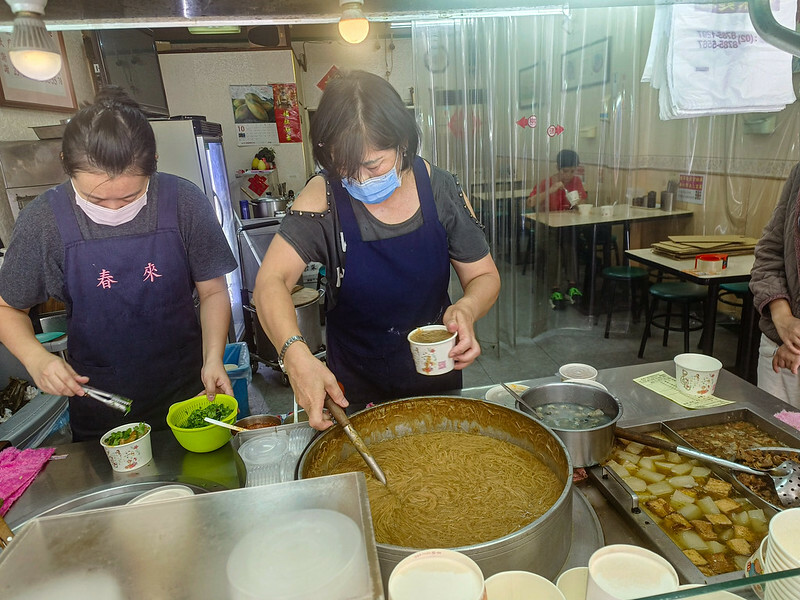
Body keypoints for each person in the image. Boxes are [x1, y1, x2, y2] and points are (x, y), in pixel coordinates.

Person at [253, 70, 500, 430]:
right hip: (353, 387)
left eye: (373, 165)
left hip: (435, 373)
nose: (360, 180)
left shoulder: (440, 188)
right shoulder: (322, 198)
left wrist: (467, 307)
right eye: (345, 167)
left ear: (402, 141)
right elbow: (270, 282)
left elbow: (483, 275)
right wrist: (295, 353)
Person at [0, 87, 237, 441]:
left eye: (128, 196)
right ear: (67, 165)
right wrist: (37, 360)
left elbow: (213, 290)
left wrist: (213, 357)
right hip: (101, 407)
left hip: (189, 392)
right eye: (95, 198)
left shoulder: (183, 201)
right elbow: (7, 308)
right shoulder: (44, 220)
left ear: (153, 164)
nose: (113, 210)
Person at [750, 163, 800, 407]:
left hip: (792, 349)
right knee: (772, 439)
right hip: (779, 347)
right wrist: (783, 317)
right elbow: (769, 252)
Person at [527, 149, 588, 310]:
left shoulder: (576, 182)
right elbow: (530, 202)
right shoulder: (547, 183)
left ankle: (571, 285)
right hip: (547, 227)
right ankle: (554, 289)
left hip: (567, 226)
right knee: (554, 253)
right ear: (558, 168)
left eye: (572, 171)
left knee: (571, 248)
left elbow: (581, 200)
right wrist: (552, 190)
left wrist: (577, 202)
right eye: (565, 171)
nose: (569, 175)